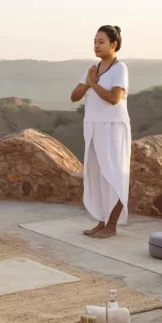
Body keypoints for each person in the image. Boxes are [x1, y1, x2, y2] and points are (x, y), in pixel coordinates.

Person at [70, 26, 130, 238]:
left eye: (101, 41)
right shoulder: (91, 69)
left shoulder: (120, 68)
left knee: (113, 174)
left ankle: (112, 226)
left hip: (113, 127)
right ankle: (102, 221)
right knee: (97, 174)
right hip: (93, 126)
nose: (96, 45)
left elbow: (115, 98)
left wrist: (93, 84)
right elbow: (74, 96)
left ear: (113, 44)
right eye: (95, 41)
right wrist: (88, 82)